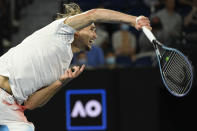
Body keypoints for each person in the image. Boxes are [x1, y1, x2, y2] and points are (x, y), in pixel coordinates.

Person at [0, 3, 151, 131]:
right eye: (92, 29)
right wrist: (133, 20)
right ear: (77, 30)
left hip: (11, 107)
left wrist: (59, 82)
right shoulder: (61, 31)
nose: (95, 36)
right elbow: (94, 14)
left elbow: (31, 103)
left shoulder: (64, 64)